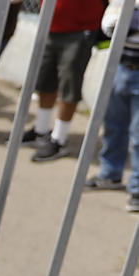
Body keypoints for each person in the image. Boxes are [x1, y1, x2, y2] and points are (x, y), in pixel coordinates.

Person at [27, 0, 110, 161]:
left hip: (79, 29)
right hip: (51, 25)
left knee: (69, 85)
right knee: (45, 82)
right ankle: (41, 130)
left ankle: (59, 139)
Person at [87, 0, 139, 213]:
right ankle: (110, 173)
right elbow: (108, 25)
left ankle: (137, 188)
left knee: (138, 134)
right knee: (113, 124)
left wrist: (130, 23)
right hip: (120, 67)